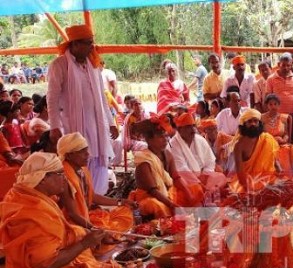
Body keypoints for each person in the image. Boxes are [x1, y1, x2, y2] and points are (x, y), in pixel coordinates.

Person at [0, 152, 123, 268]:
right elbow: (44, 264)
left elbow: (61, 232)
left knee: (105, 267)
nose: (64, 179)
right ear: (42, 178)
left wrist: (91, 236)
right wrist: (86, 242)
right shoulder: (33, 212)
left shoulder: (24, 194)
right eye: (59, 174)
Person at [47, 24, 118, 195]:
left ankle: (97, 197)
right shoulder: (59, 65)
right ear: (75, 44)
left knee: (98, 160)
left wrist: (111, 122)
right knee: (79, 159)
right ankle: (81, 199)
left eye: (92, 43)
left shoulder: (93, 64)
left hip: (97, 125)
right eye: (88, 43)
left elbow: (102, 97)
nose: (92, 47)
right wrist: (54, 126)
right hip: (73, 125)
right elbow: (52, 97)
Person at [57, 132, 135, 254]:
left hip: (87, 217)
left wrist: (121, 202)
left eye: (87, 150)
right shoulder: (64, 177)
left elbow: (92, 197)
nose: (88, 155)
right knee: (102, 236)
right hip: (72, 224)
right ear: (70, 155)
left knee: (124, 212)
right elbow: (72, 214)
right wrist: (95, 230)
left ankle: (108, 235)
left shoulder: (82, 170)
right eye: (83, 152)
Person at [129, 115, 202, 218]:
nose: (165, 139)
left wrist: (189, 195)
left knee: (195, 188)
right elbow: (153, 191)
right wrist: (171, 205)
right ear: (149, 140)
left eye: (166, 136)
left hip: (168, 193)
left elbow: (176, 178)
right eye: (160, 136)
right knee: (155, 205)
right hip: (151, 197)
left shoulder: (168, 154)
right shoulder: (144, 160)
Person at [169, 113, 225, 193]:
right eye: (188, 127)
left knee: (221, 176)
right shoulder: (173, 144)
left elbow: (210, 161)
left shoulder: (200, 140)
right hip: (186, 180)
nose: (192, 129)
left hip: (204, 176)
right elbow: (181, 169)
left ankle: (207, 191)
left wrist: (205, 176)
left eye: (193, 126)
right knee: (186, 187)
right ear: (179, 129)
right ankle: (206, 192)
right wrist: (198, 182)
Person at [233, 108, 280, 191]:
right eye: (249, 121)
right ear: (244, 124)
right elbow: (240, 175)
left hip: (269, 180)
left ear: (259, 123)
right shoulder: (239, 146)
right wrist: (252, 191)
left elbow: (276, 163)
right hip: (249, 185)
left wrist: (281, 175)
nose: (253, 124)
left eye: (255, 121)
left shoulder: (267, 138)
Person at [261, 94, 293, 173]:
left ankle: (284, 175)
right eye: (270, 104)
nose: (273, 106)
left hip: (281, 144)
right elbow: (261, 134)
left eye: (275, 104)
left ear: (279, 105)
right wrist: (272, 140)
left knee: (285, 149)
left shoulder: (283, 118)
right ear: (267, 106)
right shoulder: (262, 118)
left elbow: (286, 134)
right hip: (267, 144)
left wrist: (284, 140)